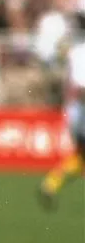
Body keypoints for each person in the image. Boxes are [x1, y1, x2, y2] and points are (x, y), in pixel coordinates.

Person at [38, 12, 85, 210]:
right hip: (82, 110)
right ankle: (51, 183)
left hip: (74, 111)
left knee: (82, 157)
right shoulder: (81, 52)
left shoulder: (75, 51)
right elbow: (81, 87)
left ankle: (50, 184)